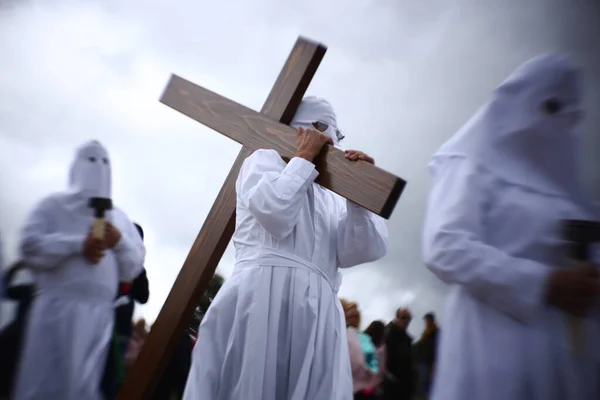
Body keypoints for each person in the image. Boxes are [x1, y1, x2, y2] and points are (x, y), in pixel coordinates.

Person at [183, 96, 389, 400]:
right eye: (319, 127)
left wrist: (360, 199)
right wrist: (303, 160)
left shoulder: (331, 190)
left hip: (318, 312)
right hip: (264, 296)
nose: (329, 138)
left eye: (336, 133)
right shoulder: (264, 160)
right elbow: (274, 214)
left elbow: (361, 250)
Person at [422, 54, 600, 400]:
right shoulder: (472, 163)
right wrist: (542, 283)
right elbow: (445, 245)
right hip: (490, 353)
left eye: (567, 111)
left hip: (560, 363)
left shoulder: (571, 198)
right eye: (548, 105)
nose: (554, 120)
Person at [12, 140, 145, 400]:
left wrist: (118, 241)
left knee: (86, 388)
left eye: (104, 162)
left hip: (100, 316)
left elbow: (133, 267)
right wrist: (76, 245)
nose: (98, 168)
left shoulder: (119, 218)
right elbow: (30, 247)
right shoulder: (52, 206)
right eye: (90, 160)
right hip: (56, 309)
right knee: (44, 383)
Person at [382, 308, 414, 400]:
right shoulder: (387, 333)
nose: (406, 321)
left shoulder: (407, 339)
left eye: (408, 318)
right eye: (403, 317)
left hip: (404, 385)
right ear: (397, 317)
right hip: (390, 385)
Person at [416, 312, 439, 398]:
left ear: (431, 320)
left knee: (431, 383)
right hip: (424, 361)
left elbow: (435, 349)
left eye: (427, 320)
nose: (426, 322)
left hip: (431, 362)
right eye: (425, 320)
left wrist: (433, 363)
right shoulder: (425, 332)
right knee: (423, 383)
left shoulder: (436, 332)